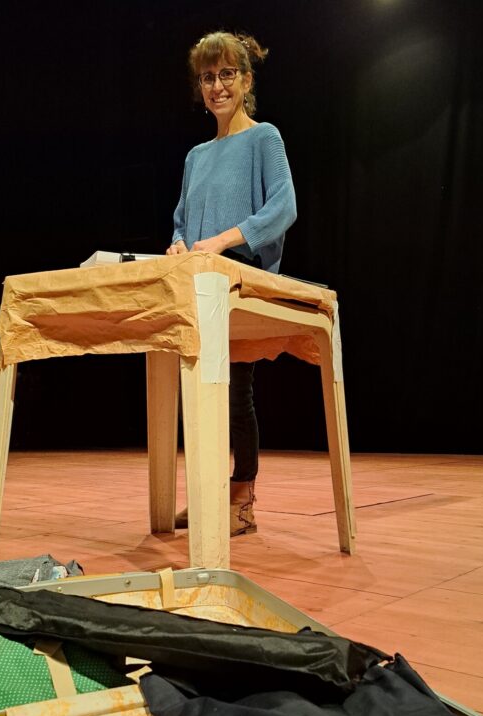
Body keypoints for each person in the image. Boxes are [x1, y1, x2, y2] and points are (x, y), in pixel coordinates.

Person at [166, 30, 297, 536]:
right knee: (199, 393)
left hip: (240, 281)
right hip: (198, 285)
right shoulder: (195, 156)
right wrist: (180, 244)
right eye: (207, 77)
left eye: (226, 74)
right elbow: (180, 220)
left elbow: (283, 206)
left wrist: (223, 239)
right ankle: (208, 495)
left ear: (245, 80)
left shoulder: (264, 138)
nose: (216, 86)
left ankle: (241, 498)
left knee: (235, 391)